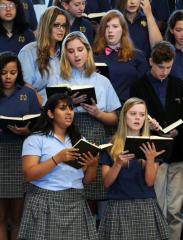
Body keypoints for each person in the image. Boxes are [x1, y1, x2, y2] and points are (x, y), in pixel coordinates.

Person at [48, 31, 120, 209]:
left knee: (94, 193)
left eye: (80, 49)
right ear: (65, 55)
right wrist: (68, 103)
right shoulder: (57, 79)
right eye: (71, 51)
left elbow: (116, 119)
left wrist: (98, 114)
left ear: (88, 51)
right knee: (71, 189)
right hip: (67, 134)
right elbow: (48, 114)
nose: (76, 55)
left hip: (95, 134)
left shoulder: (102, 81)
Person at [129, 41, 183, 240]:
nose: (165, 71)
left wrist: (177, 130)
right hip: (153, 154)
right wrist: (150, 126)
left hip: (178, 153)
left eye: (169, 67)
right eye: (160, 67)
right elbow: (133, 117)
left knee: (175, 210)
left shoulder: (178, 84)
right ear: (150, 62)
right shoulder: (139, 85)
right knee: (157, 207)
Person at [18, 93, 99, 240]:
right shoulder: (35, 139)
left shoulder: (79, 140)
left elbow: (87, 181)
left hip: (75, 200)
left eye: (71, 108)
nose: (69, 112)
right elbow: (29, 174)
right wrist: (58, 158)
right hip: (45, 201)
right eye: (63, 108)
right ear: (50, 113)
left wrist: (93, 165)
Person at [98, 97, 169, 239]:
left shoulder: (152, 144)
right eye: (133, 114)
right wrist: (118, 163)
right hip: (119, 206)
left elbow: (150, 182)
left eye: (142, 115)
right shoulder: (110, 144)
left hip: (145, 205)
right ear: (124, 116)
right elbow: (106, 183)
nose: (138, 118)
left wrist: (150, 160)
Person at [0, 52, 40, 240]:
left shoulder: (28, 94)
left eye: (13, 72)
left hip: (21, 153)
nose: (8, 77)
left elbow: (39, 126)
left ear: (19, 73)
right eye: (4, 72)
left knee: (18, 216)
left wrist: (26, 131)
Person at [93, 9, 148, 104]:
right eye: (106, 27)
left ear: (123, 30)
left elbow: (145, 87)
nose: (110, 31)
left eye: (115, 26)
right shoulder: (94, 56)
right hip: (103, 107)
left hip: (129, 106)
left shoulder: (137, 56)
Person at [18, 6, 70, 99]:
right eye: (56, 25)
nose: (61, 29)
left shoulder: (66, 51)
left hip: (65, 106)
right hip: (40, 107)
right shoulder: (28, 51)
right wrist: (44, 104)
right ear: (46, 26)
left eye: (63, 25)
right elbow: (25, 86)